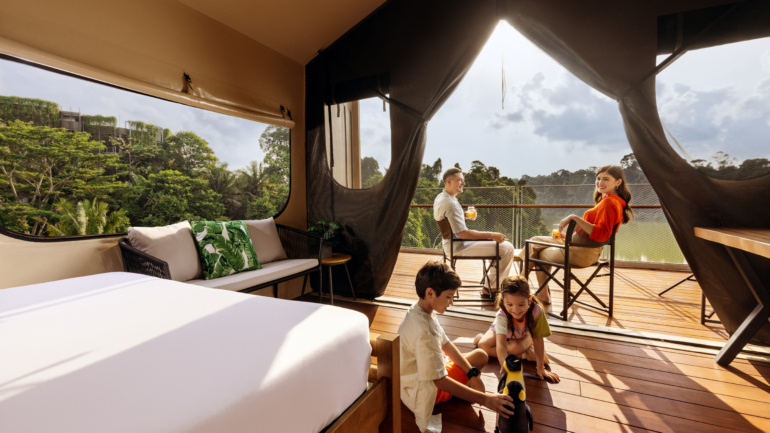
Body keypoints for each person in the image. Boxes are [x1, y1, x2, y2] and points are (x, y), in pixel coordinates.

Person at [398, 261, 514, 432]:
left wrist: (472, 374)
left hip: (419, 375)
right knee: (480, 358)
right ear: (430, 293)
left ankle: (465, 386)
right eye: (448, 297)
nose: (451, 302)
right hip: (425, 388)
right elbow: (439, 380)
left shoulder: (420, 310)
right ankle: (461, 390)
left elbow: (446, 344)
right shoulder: (424, 332)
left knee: (480, 356)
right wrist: (485, 399)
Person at [520, 164, 635, 304]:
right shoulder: (614, 201)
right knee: (534, 241)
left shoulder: (609, 203)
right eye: (598, 179)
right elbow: (593, 235)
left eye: (606, 179)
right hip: (586, 250)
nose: (600, 182)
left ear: (618, 182)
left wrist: (574, 218)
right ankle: (531, 289)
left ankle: (520, 287)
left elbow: (603, 233)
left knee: (535, 249)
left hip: (579, 254)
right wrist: (567, 236)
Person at [434, 167, 515, 296]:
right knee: (507, 248)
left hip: (450, 244)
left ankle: (491, 283)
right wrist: (491, 235)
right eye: (460, 180)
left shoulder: (441, 198)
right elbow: (464, 234)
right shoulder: (451, 204)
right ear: (448, 181)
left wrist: (465, 215)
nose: (463, 183)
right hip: (459, 246)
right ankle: (491, 289)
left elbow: (449, 220)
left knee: (500, 247)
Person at [473, 276, 560, 383]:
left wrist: (540, 367)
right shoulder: (502, 315)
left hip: (525, 333)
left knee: (515, 348)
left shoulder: (537, 311)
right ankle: (520, 355)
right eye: (510, 304)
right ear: (503, 300)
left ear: (529, 300)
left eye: (521, 304)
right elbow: (501, 344)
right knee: (482, 345)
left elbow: (538, 339)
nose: (516, 310)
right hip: (504, 333)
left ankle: (525, 350)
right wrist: (504, 366)